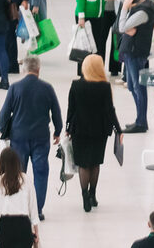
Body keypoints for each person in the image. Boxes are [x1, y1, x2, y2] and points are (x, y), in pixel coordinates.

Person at [0, 55, 62, 218]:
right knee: (41, 172)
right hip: (40, 137)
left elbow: (4, 113)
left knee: (18, 173)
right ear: (38, 70)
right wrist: (57, 131)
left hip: (19, 137)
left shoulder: (15, 88)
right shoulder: (47, 88)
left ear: (23, 69)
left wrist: (2, 129)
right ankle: (38, 209)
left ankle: (20, 207)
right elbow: (56, 112)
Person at [67, 53, 121, 212]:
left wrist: (67, 128)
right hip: (100, 130)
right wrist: (119, 130)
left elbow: (71, 110)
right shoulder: (104, 87)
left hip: (79, 130)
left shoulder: (76, 86)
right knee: (95, 162)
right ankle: (93, 194)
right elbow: (110, 111)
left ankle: (84, 196)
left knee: (83, 164)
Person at [120, 0, 154, 132]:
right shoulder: (141, 6)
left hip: (136, 52)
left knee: (138, 87)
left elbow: (123, 26)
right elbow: (125, 28)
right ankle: (139, 119)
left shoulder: (143, 11)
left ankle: (141, 123)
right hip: (132, 50)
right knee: (132, 86)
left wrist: (124, 9)